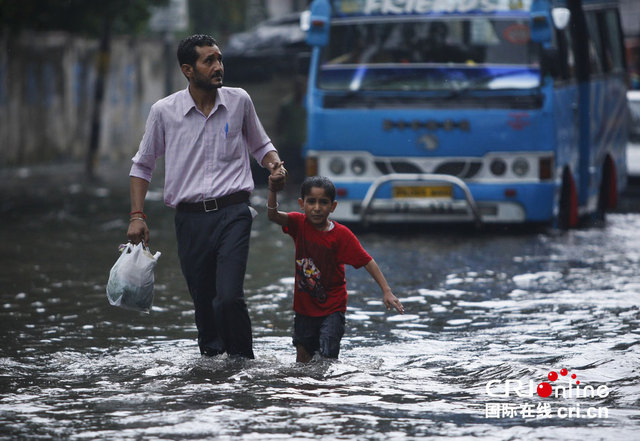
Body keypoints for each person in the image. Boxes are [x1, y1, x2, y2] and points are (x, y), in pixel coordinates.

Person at [126, 34, 286, 359]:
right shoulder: (164, 112)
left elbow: (260, 145)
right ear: (188, 69)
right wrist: (137, 216)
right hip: (189, 219)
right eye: (208, 61)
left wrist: (274, 166)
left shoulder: (239, 101)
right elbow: (142, 167)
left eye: (219, 59)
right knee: (203, 300)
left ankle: (242, 364)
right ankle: (212, 365)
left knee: (229, 296)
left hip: (234, 213)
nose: (218, 67)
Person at [266, 173, 404, 362]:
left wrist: (387, 291)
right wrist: (273, 190)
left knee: (327, 358)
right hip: (304, 309)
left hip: (332, 309)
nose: (316, 208)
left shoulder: (341, 235)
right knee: (302, 359)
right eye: (311, 202)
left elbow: (367, 261)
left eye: (323, 203)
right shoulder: (298, 223)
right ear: (301, 203)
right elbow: (272, 215)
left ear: (333, 206)